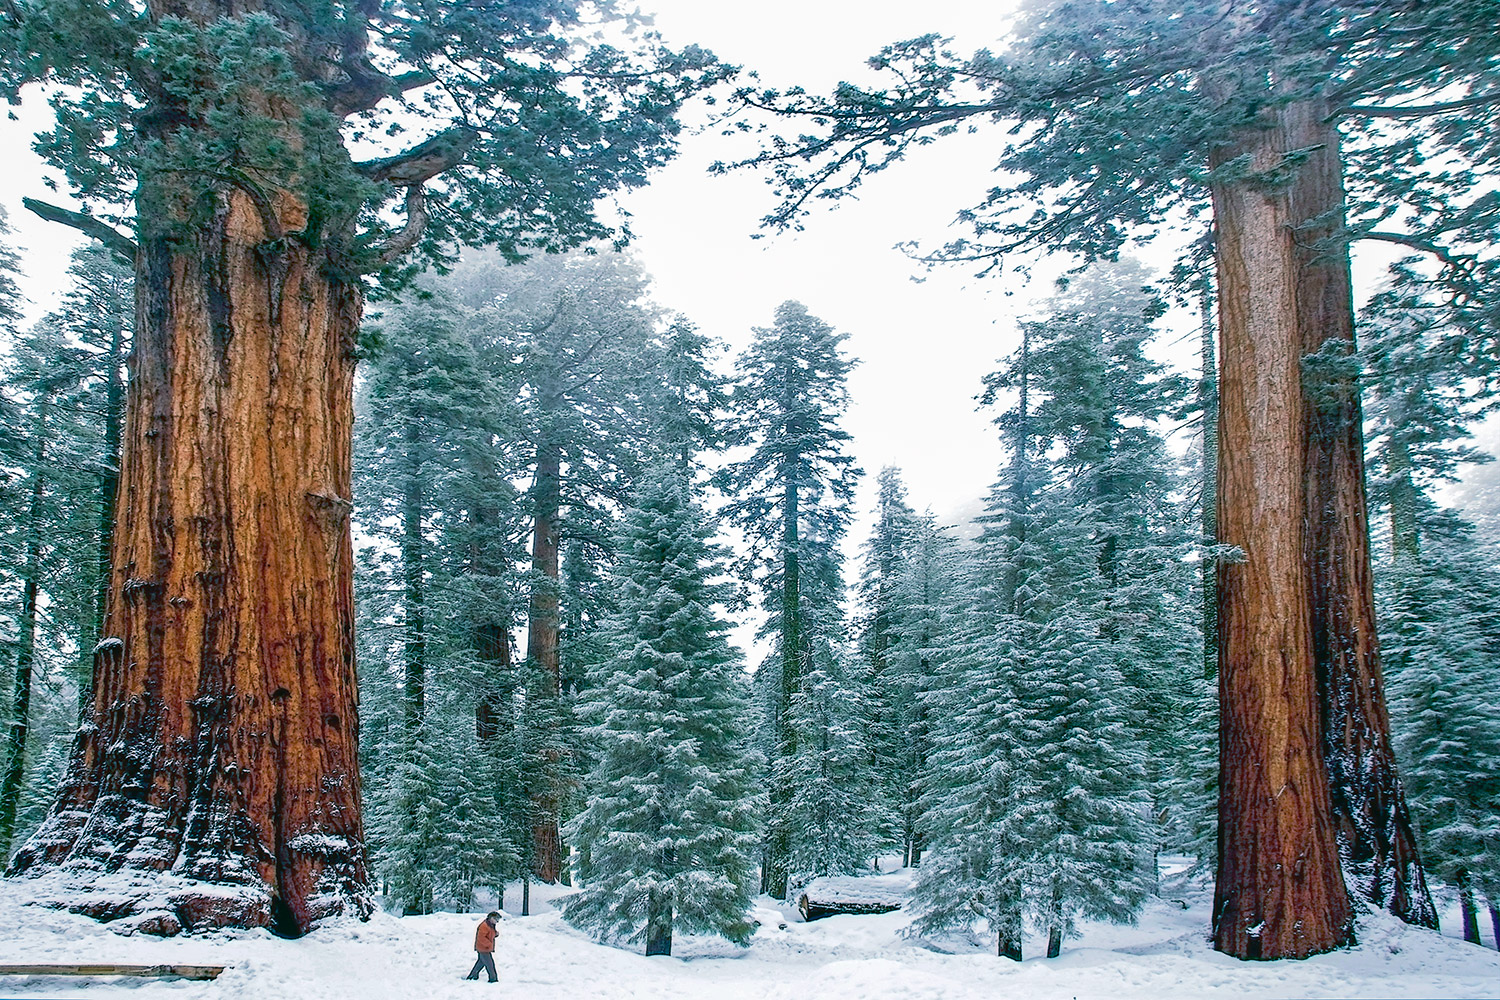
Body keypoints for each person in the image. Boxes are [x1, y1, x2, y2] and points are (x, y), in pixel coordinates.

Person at [465, 911, 500, 983]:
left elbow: (489, 934)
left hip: (485, 948)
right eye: (496, 919)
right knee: (490, 964)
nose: (497, 922)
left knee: (481, 963)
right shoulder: (484, 926)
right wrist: (489, 944)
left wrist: (495, 934)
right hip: (483, 949)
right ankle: (493, 979)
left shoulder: (490, 925)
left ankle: (472, 976)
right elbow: (481, 938)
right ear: (491, 918)